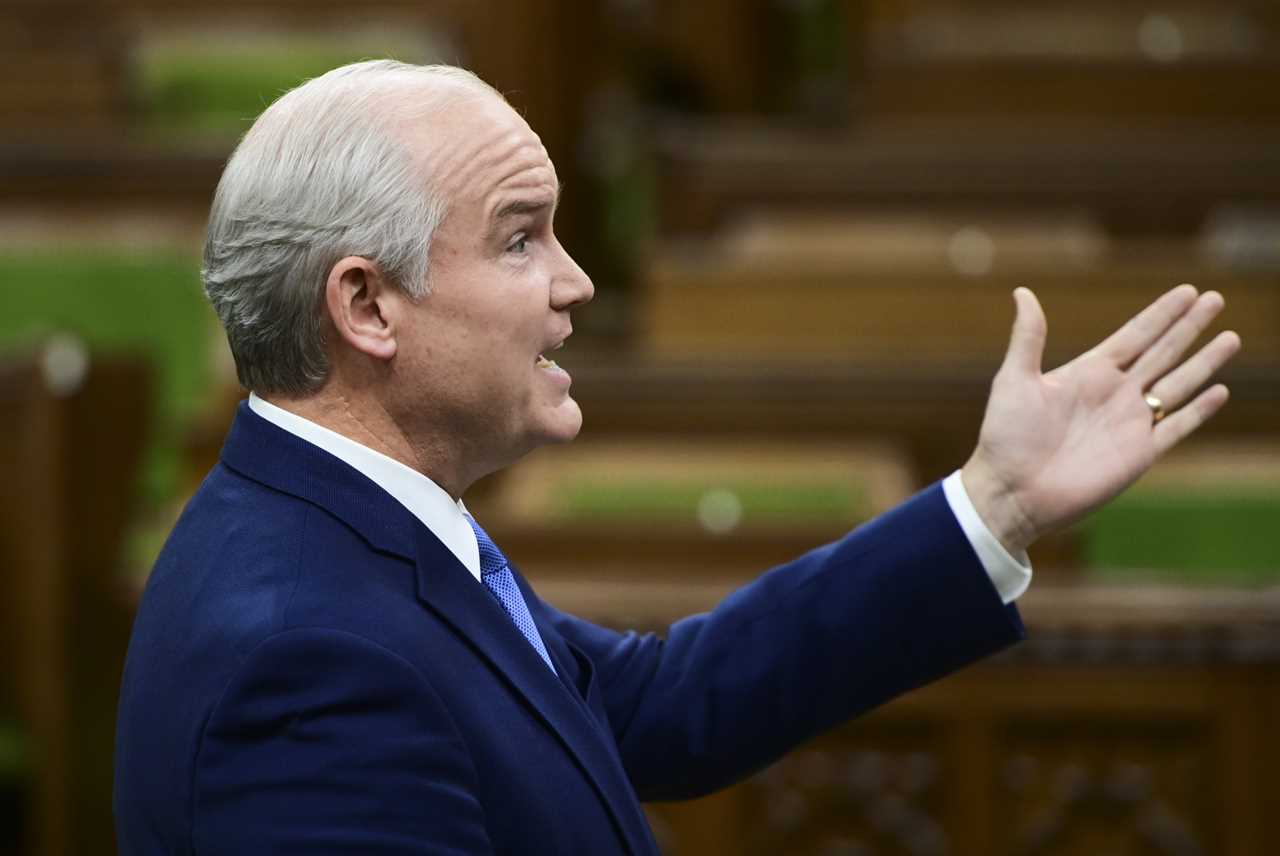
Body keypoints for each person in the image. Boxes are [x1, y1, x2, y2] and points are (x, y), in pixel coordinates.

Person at [113, 61, 1240, 855]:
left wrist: (992, 504)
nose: (575, 281)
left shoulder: (345, 531)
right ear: (365, 305)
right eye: (520, 238)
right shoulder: (307, 659)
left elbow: (656, 704)